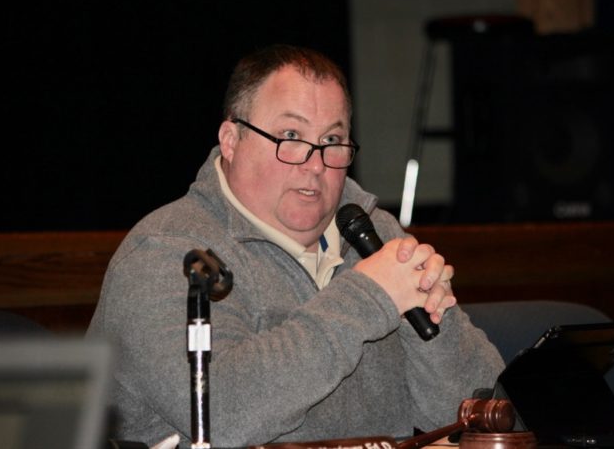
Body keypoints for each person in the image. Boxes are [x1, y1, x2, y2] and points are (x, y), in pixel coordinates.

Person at [87, 44, 504, 448]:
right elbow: (220, 415)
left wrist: (432, 320)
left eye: (332, 139)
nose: (316, 163)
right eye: (291, 135)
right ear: (231, 140)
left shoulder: (375, 234)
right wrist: (368, 298)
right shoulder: (168, 254)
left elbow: (490, 411)